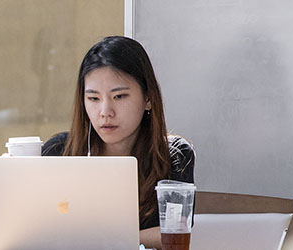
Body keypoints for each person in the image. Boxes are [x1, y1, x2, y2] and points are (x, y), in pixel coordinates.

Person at [41, 36, 195, 249]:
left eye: (119, 96)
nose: (105, 113)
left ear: (148, 98)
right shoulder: (59, 151)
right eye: (94, 99)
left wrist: (95, 238)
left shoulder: (174, 155)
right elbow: (6, 228)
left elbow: (173, 234)